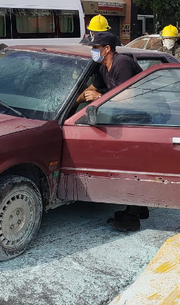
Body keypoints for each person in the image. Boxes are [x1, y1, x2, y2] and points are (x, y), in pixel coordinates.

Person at [77, 32, 147, 232]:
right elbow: (90, 89)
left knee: (133, 166)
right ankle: (140, 207)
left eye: (95, 48)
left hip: (141, 119)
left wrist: (100, 96)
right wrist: (73, 102)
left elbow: (130, 98)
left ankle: (132, 217)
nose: (93, 52)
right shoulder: (103, 67)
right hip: (126, 119)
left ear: (107, 48)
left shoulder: (121, 64)